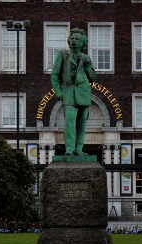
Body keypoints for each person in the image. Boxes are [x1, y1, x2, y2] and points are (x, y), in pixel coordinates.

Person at [51, 28, 96, 156]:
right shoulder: (63, 55)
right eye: (73, 39)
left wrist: (87, 67)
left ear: (83, 43)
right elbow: (55, 75)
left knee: (82, 122)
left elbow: (92, 78)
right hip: (69, 92)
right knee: (70, 120)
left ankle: (79, 149)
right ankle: (70, 148)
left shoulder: (86, 58)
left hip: (83, 93)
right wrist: (59, 92)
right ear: (69, 41)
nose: (74, 41)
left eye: (77, 39)